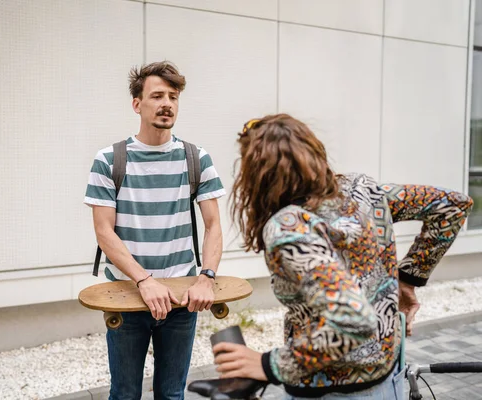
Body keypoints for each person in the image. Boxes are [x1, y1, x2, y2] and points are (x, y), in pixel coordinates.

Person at [213, 114, 473, 399]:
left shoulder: (289, 225)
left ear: (258, 175)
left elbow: (351, 318)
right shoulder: (364, 192)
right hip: (388, 379)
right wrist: (409, 278)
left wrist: (268, 364)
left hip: (328, 389)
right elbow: (452, 205)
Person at [84, 61, 226, 400]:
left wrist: (206, 277)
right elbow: (105, 232)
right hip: (127, 294)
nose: (167, 104)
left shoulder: (196, 158)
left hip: (182, 296)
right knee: (125, 394)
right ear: (137, 104)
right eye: (157, 95)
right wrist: (145, 282)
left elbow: (214, 225)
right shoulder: (109, 159)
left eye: (173, 97)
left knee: (172, 393)